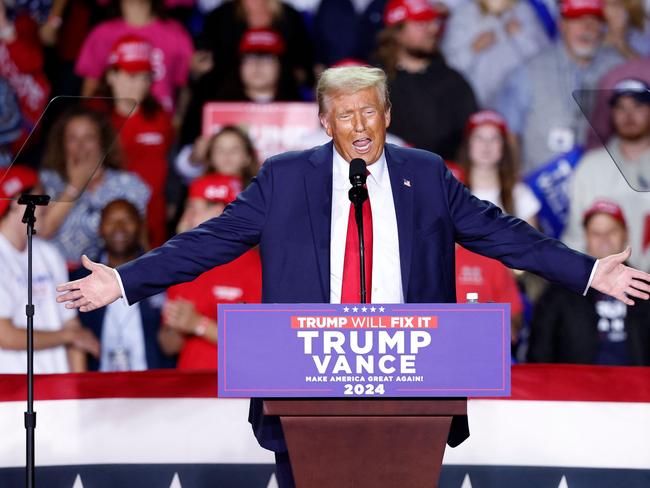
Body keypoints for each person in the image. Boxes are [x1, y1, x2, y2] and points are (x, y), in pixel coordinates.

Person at [56, 66, 650, 488]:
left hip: (410, 381)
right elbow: (211, 239)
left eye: (370, 111)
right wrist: (126, 281)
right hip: (305, 382)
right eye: (346, 115)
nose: (360, 125)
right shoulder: (285, 179)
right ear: (324, 121)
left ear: (388, 115)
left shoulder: (426, 174)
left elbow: (501, 233)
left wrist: (587, 270)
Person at [497, 0, 624, 174]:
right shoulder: (529, 70)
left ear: (603, 28)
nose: (587, 28)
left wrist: (620, 40)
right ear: (562, 24)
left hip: (601, 187)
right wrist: (516, 184)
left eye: (594, 22)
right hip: (540, 190)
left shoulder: (618, 69)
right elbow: (509, 134)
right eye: (578, 21)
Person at [0, 166, 99, 373]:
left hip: (57, 389)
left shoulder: (49, 254)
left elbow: (73, 328)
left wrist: (77, 390)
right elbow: (5, 336)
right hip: (10, 392)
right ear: (19, 201)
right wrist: (66, 336)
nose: (46, 205)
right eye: (40, 196)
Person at [159, 174, 262, 369]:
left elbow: (257, 343)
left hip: (237, 389)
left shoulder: (254, 266)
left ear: (218, 212)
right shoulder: (183, 264)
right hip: (190, 387)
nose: (186, 217)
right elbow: (168, 346)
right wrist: (175, 328)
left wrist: (198, 324)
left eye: (192, 209)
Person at [529, 200, 650, 364]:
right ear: (586, 236)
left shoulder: (645, 287)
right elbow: (539, 351)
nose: (604, 239)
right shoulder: (560, 289)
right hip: (578, 385)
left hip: (637, 385)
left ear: (626, 233)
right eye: (596, 233)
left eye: (611, 231)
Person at [39, 105, 151, 267]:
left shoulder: (128, 185)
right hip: (53, 276)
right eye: (72, 139)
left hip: (107, 280)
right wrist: (75, 186)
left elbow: (141, 242)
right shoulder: (48, 182)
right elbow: (42, 232)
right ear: (62, 144)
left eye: (89, 138)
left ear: (102, 142)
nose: (81, 146)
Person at [71, 199, 173, 371]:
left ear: (140, 226)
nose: (119, 227)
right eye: (111, 220)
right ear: (100, 229)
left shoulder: (160, 273)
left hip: (152, 385)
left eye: (127, 220)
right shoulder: (81, 278)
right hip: (98, 386)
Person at [562, 79, 650, 271]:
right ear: (611, 113)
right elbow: (576, 237)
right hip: (603, 282)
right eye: (621, 107)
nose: (629, 115)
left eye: (638, 106)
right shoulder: (589, 167)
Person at [374, 0, 478, 160]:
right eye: (421, 23)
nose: (433, 29)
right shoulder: (373, 82)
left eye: (433, 22)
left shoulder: (452, 82)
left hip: (442, 177)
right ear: (397, 32)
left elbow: (472, 137)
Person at [99, 34, 174, 248]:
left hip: (154, 217)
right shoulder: (96, 119)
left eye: (145, 77)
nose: (140, 84)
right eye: (132, 75)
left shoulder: (160, 118)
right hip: (110, 220)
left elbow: (170, 163)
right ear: (111, 76)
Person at [180, 27, 301, 147]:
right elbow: (182, 157)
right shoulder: (216, 105)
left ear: (281, 65)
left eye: (267, 58)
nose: (257, 65)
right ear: (239, 65)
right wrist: (195, 157)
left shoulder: (299, 109)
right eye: (250, 58)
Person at [74, 0, 194, 114]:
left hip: (159, 126)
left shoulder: (175, 33)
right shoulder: (102, 34)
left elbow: (184, 86)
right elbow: (90, 87)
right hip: (112, 125)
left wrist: (177, 121)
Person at [441, 0, 549, 107]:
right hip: (477, 105)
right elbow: (449, 68)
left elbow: (545, 62)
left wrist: (521, 37)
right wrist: (473, 49)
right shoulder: (464, 14)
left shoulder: (523, 10)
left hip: (519, 104)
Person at [457, 110, 541, 226]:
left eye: (494, 138)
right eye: (479, 137)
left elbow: (533, 243)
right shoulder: (452, 191)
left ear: (503, 147)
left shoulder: (519, 194)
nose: (486, 145)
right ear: (468, 144)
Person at [175, 124, 256, 192]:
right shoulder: (200, 187)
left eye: (235, 149)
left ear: (247, 157)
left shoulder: (259, 191)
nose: (227, 154)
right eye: (219, 149)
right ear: (210, 158)